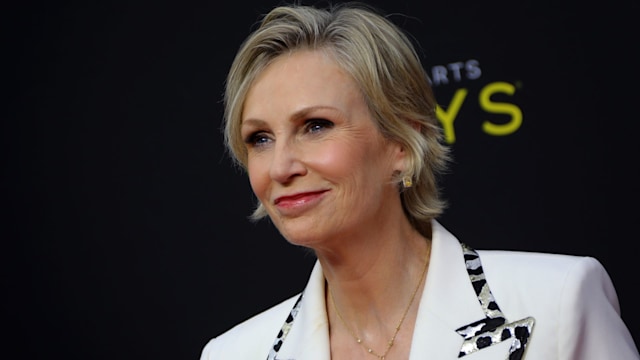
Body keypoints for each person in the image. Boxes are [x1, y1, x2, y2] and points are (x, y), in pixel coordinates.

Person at [200, 2, 639, 359]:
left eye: (315, 126)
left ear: (404, 144)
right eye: (259, 138)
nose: (280, 167)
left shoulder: (557, 302)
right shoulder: (234, 354)